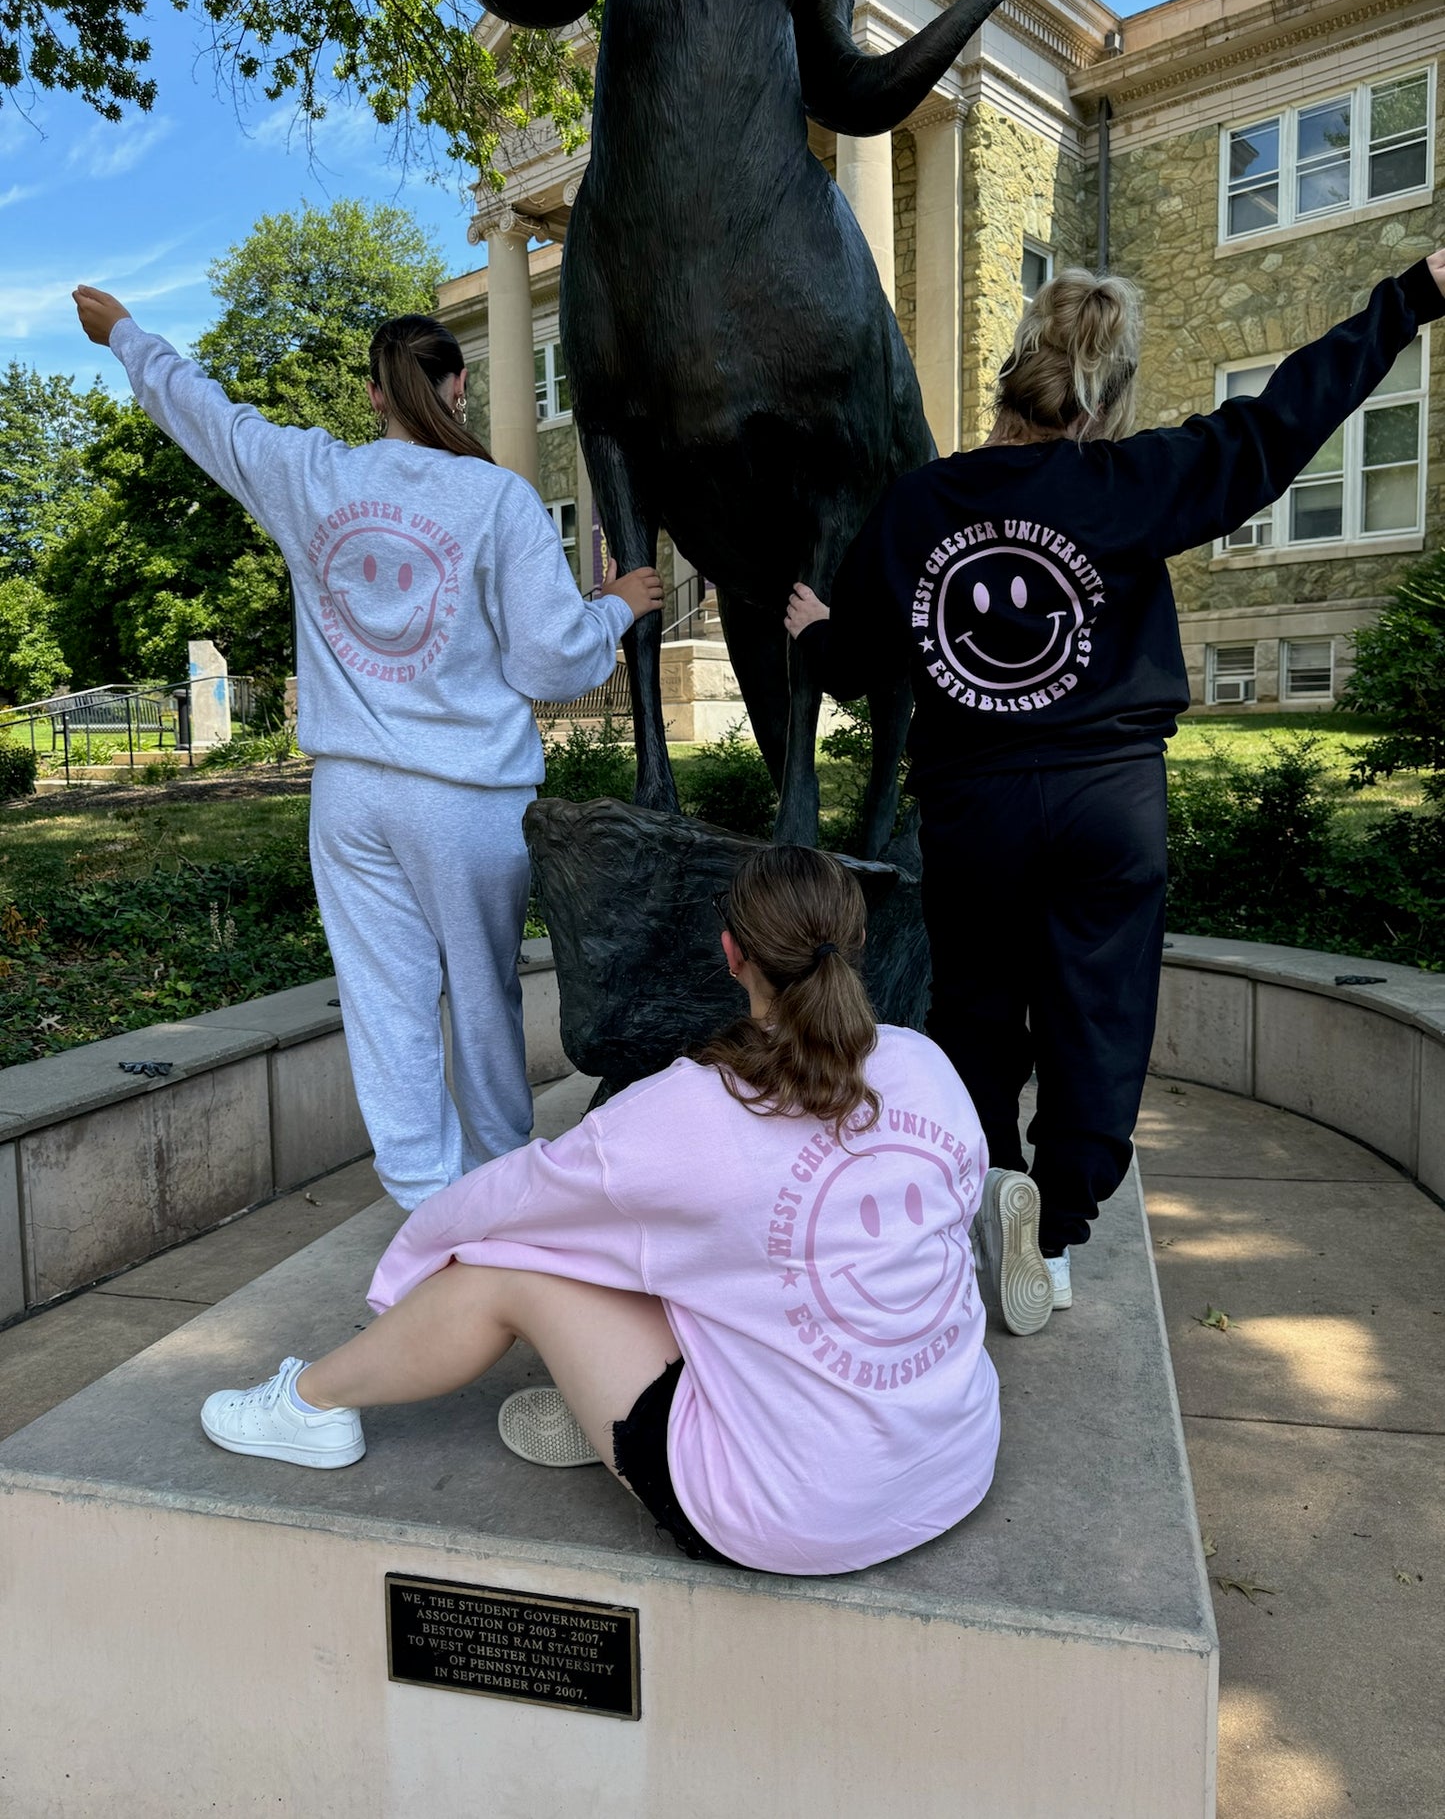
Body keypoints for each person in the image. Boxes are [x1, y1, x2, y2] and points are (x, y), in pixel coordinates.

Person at [785, 249, 1445, 1334]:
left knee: (977, 1012)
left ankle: (988, 1184)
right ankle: (1050, 1236)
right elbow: (1276, 424)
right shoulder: (1135, 483)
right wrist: (1407, 296)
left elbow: (856, 662)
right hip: (1108, 801)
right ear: (1108, 393)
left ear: (1009, 374)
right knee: (1099, 1014)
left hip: (975, 808)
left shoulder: (921, 504)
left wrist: (818, 636)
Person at [196, 846, 999, 1578]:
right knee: (697, 1244)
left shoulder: (683, 1113)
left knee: (509, 1264)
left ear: (731, 954)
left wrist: (408, 1273)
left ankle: (310, 1404)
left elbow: (513, 1197)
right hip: (956, 1458)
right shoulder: (923, 1062)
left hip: (793, 1515)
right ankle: (628, 1401)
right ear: (857, 942)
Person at [73, 286, 663, 1211]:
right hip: (467, 799)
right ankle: (504, 1195)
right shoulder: (500, 500)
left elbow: (208, 416)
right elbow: (550, 662)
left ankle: (427, 1210)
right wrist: (617, 607)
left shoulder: (314, 476)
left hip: (349, 797)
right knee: (481, 1001)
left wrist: (126, 336)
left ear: (375, 396)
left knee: (384, 1007)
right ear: (457, 387)